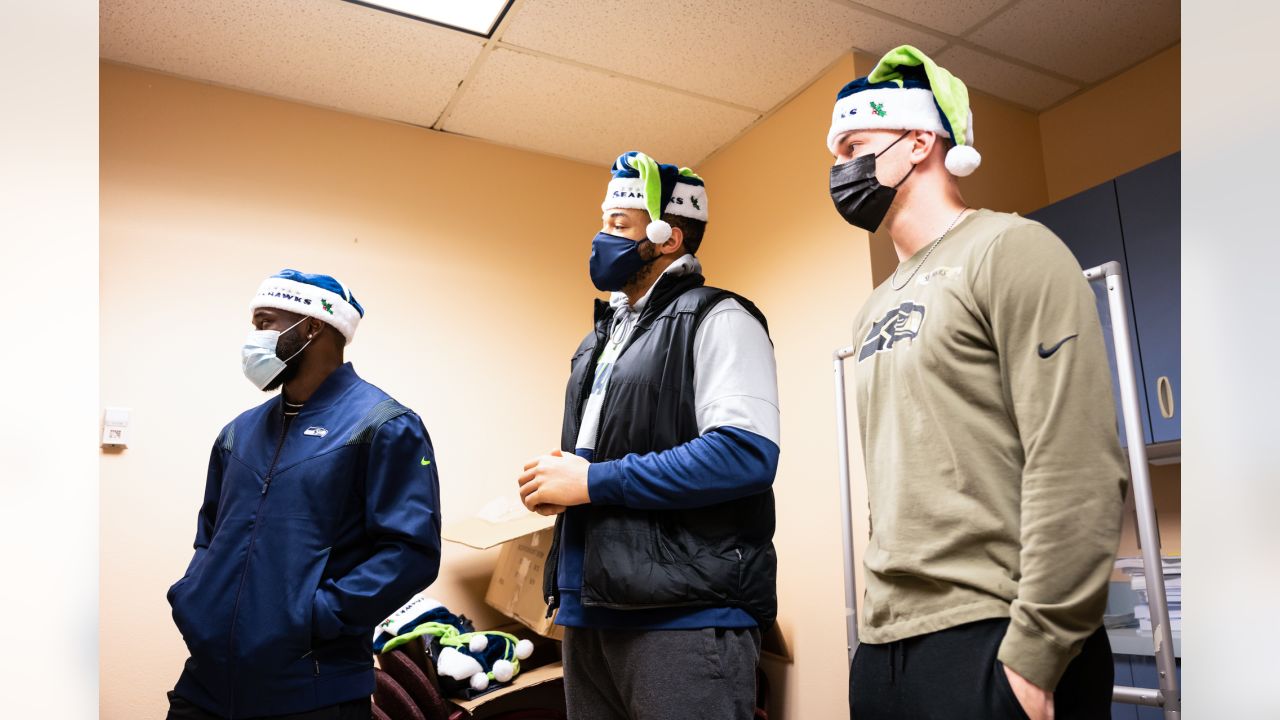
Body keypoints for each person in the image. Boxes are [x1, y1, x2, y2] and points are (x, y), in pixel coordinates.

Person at [826, 46, 1129, 719]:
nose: (839, 167)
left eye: (854, 143)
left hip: (997, 637)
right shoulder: (874, 306)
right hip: (885, 649)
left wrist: (1036, 656)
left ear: (917, 140)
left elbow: (1074, 458)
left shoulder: (1011, 250)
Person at [517, 151, 781, 720]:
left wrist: (590, 481)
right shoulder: (598, 341)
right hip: (590, 610)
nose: (600, 238)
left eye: (618, 225)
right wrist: (560, 484)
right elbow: (607, 466)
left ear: (666, 236)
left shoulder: (720, 318)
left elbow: (744, 456)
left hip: (682, 616)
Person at [166, 269, 442, 720]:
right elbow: (209, 537)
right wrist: (195, 599)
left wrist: (314, 616)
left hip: (311, 689)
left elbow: (410, 553)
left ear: (312, 326)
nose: (254, 338)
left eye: (265, 322)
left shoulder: (383, 426)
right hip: (205, 686)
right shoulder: (238, 433)